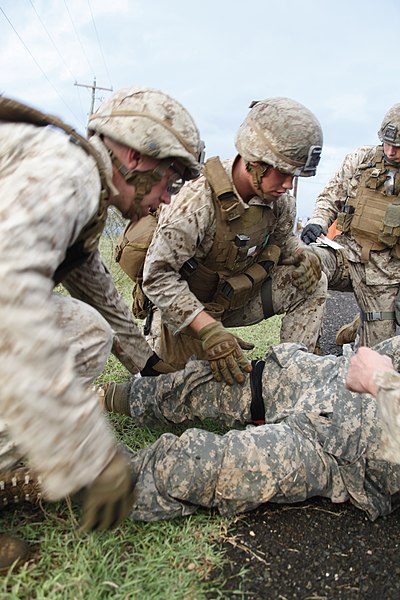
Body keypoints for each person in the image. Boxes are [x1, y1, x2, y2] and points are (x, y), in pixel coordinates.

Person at [0, 86, 203, 570]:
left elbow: (101, 296)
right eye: (167, 184)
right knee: (82, 335)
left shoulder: (83, 189)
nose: (162, 202)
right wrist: (89, 452)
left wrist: (152, 369)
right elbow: (12, 299)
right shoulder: (66, 174)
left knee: (91, 327)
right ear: (134, 155)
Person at [128, 97, 326, 385]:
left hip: (234, 300)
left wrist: (302, 253)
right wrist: (208, 331)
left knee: (312, 282)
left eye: (294, 175)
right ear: (254, 161)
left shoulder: (280, 201)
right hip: (183, 310)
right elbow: (157, 277)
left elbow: (284, 241)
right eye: (283, 173)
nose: (288, 184)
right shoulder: (196, 201)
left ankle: (293, 379)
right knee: (166, 390)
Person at [98, 336, 400, 524]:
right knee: (221, 381)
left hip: (344, 452)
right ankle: (106, 397)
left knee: (205, 464)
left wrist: (380, 380)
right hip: (327, 379)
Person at [301, 103, 400, 348]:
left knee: (380, 356)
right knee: (305, 264)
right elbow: (329, 197)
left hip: (386, 276)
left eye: (398, 147)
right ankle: (308, 350)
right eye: (387, 143)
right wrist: (317, 221)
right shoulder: (361, 160)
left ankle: (362, 324)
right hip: (346, 256)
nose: (391, 151)